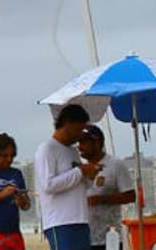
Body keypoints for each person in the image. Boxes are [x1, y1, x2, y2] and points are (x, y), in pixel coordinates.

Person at [34, 105, 103, 250]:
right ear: (67, 124)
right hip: (60, 221)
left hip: (81, 218)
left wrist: (90, 175)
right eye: (78, 130)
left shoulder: (72, 151)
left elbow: (77, 182)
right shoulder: (47, 148)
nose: (79, 136)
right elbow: (48, 185)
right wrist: (80, 171)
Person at [78, 124, 136, 250]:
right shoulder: (79, 169)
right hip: (84, 237)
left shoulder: (115, 164)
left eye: (83, 142)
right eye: (78, 142)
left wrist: (102, 199)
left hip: (110, 237)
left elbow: (131, 196)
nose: (79, 146)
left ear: (97, 142)